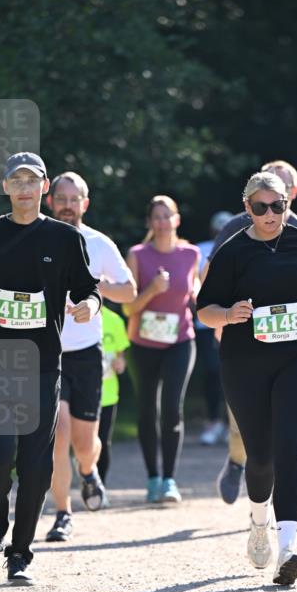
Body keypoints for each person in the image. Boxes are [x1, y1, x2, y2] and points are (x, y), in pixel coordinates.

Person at [0, 152, 102, 585]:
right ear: (5, 187)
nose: (25, 188)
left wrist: (87, 306)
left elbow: (89, 288)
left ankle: (20, 553)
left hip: (41, 367)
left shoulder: (65, 239)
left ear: (44, 188)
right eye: (17, 180)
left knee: (36, 467)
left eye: (33, 180)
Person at [197, 171, 297, 586]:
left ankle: (289, 549)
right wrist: (227, 315)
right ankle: (259, 521)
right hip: (245, 362)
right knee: (259, 457)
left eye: (277, 205)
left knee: (289, 449)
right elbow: (203, 307)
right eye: (260, 207)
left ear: (288, 205)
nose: (269, 214)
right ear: (247, 208)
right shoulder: (232, 252)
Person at [203, 160, 297, 505]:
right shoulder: (238, 228)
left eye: (280, 193)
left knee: (286, 428)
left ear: (292, 194)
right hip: (244, 342)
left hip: (291, 346)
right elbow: (210, 280)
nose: (270, 205)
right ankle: (239, 461)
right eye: (262, 197)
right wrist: (223, 319)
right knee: (245, 425)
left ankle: (278, 500)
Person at [44, 172, 136, 543]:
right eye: (61, 198)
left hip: (86, 354)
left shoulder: (99, 244)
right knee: (58, 432)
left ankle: (88, 469)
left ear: (85, 203)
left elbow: (129, 290)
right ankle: (62, 513)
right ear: (50, 201)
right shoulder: (37, 239)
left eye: (74, 198)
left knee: (85, 443)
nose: (67, 205)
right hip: (48, 353)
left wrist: (93, 290)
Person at [124, 195, 200, 503]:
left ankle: (169, 480)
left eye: (167, 216)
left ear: (177, 220)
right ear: (149, 222)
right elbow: (128, 308)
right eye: (156, 216)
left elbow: (196, 291)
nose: (162, 222)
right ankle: (152, 477)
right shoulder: (138, 255)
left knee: (171, 407)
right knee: (147, 409)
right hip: (143, 343)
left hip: (180, 340)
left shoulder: (191, 254)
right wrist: (152, 290)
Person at [195, 210, 234, 445]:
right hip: (206, 322)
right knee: (211, 372)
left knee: (234, 372)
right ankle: (213, 421)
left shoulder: (243, 245)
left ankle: (234, 424)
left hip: (235, 320)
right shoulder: (200, 249)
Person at [96, 302, 131, 485]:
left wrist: (120, 364)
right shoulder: (70, 316)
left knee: (102, 441)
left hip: (107, 394)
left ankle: (100, 486)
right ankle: (83, 472)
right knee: (79, 441)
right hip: (77, 392)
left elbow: (121, 356)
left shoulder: (114, 320)